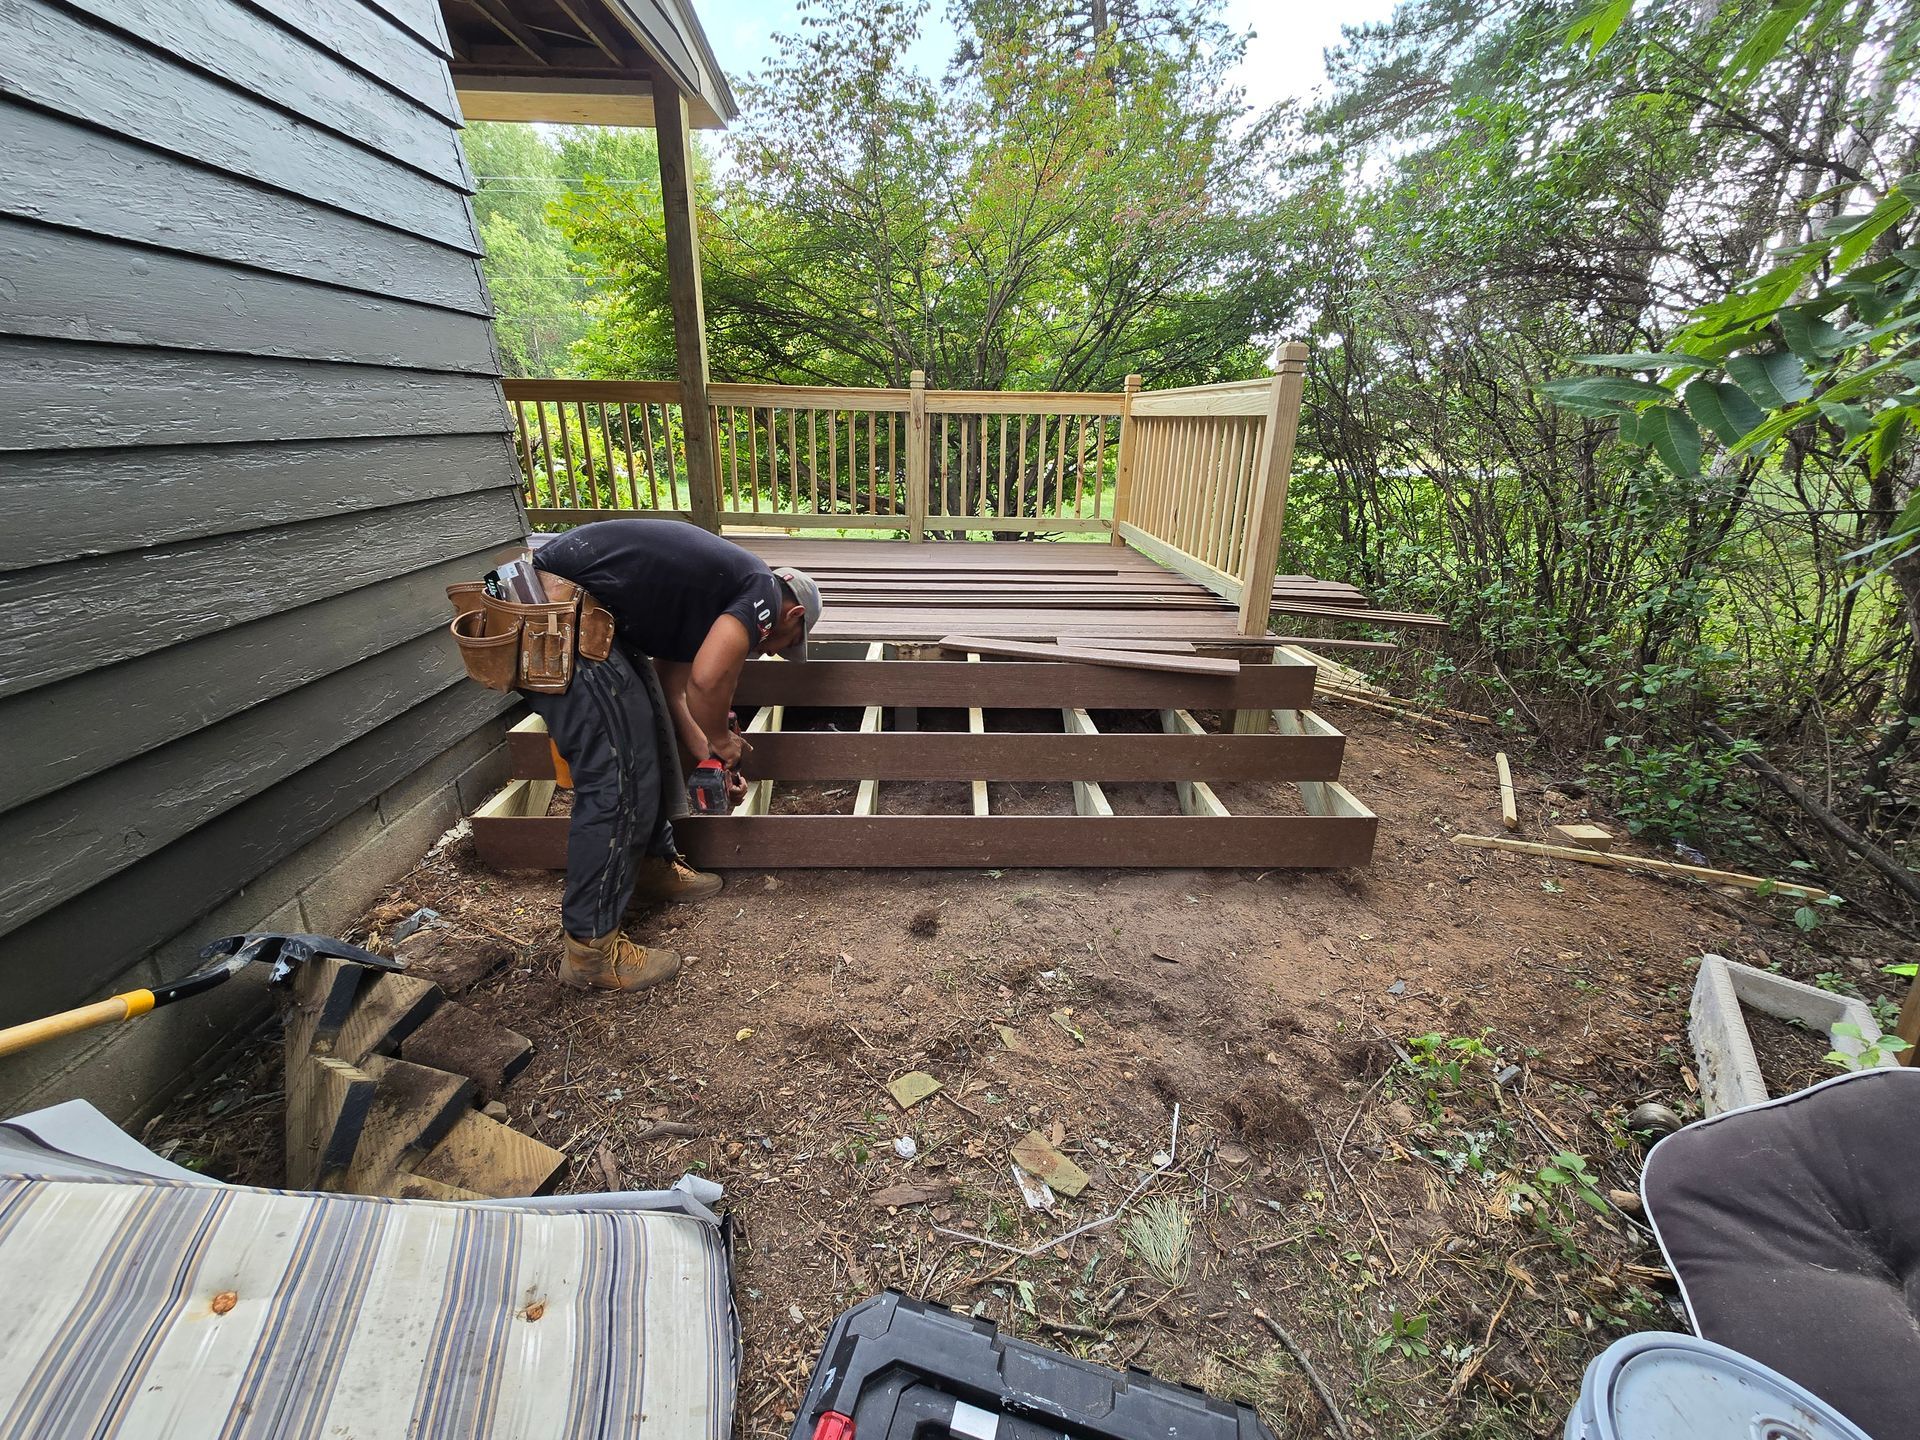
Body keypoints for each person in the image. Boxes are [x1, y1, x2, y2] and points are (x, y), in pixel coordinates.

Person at [523, 519, 822, 994]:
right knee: (615, 776)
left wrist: (711, 754)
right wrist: (725, 742)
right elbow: (707, 681)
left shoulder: (709, 603)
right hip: (560, 616)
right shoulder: (763, 593)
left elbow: (674, 689)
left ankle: (649, 868)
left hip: (586, 616)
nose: (770, 656)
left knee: (645, 738)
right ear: (793, 617)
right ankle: (590, 952)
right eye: (784, 648)